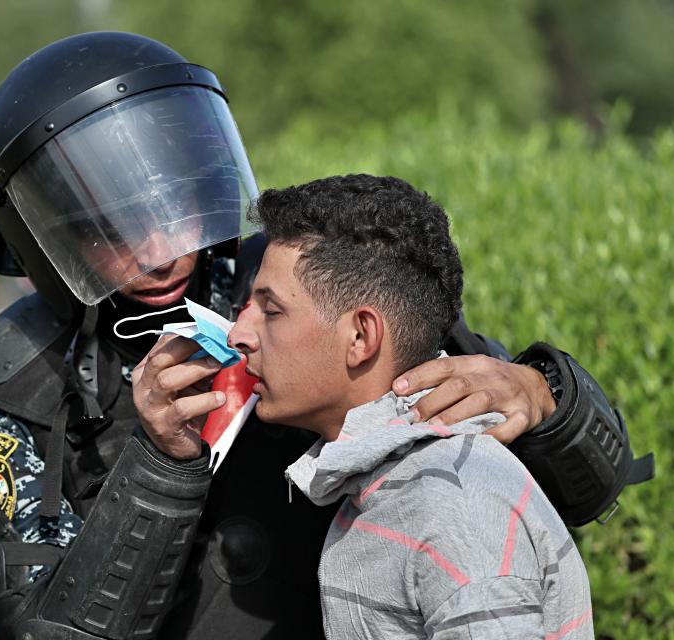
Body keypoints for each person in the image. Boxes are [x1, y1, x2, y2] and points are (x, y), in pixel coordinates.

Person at [0, 31, 653, 640]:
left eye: (168, 209)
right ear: (47, 243)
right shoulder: (15, 377)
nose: (161, 250)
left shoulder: (290, 278)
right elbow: (44, 629)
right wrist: (159, 462)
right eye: (112, 232)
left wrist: (537, 393)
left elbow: (580, 487)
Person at [227, 174, 593, 639]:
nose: (237, 334)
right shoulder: (388, 483)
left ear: (361, 337)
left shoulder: (454, 508)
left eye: (271, 310)